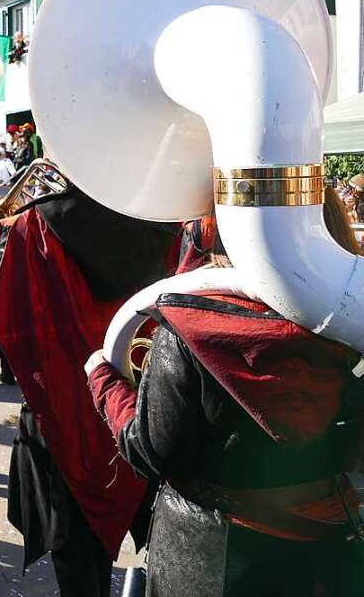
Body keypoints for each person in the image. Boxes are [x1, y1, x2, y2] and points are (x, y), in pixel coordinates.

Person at [87, 228, 364, 596]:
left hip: (208, 556)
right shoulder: (351, 323)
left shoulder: (187, 326)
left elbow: (155, 452)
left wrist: (105, 383)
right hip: (330, 548)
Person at [0, 183, 180, 597]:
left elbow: (6, 317)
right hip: (143, 404)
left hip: (62, 411)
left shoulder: (33, 225)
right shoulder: (165, 217)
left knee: (75, 558)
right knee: (159, 550)